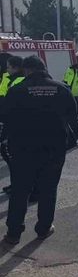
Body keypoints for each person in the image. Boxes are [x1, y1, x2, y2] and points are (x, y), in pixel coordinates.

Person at [1, 56, 76, 245]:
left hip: (23, 149)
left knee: (20, 191)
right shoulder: (61, 89)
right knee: (48, 190)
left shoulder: (16, 91)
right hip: (53, 149)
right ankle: (43, 229)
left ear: (26, 70)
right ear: (43, 68)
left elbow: (5, 118)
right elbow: (73, 116)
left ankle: (13, 233)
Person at [0, 56, 25, 195]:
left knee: (11, 154)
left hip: (15, 124)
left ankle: (20, 185)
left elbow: (12, 105)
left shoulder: (19, 81)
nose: (6, 69)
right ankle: (16, 183)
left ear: (15, 67)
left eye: (9, 67)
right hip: (9, 121)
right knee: (8, 153)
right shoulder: (10, 78)